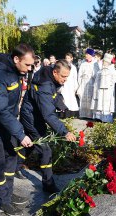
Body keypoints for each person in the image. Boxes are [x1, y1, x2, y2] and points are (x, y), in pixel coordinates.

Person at [0, 43, 34, 216]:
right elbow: (0, 110)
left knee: (11, 159)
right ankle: (3, 202)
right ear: (16, 59)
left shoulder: (15, 72)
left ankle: (8, 193)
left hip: (6, 127)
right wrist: (20, 133)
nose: (30, 68)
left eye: (31, 65)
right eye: (27, 64)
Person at [20, 60, 76, 193]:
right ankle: (48, 184)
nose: (65, 80)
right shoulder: (44, 86)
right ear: (55, 72)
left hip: (36, 115)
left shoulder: (49, 75)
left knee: (30, 145)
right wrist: (65, 132)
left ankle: (12, 166)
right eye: (63, 76)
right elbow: (49, 115)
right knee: (45, 150)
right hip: (31, 117)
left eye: (67, 76)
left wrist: (62, 106)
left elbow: (54, 94)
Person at [90, 53, 116, 123]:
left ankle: (106, 119)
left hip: (108, 92)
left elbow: (113, 80)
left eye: (104, 62)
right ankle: (99, 118)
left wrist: (108, 84)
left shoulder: (112, 70)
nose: (103, 63)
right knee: (99, 104)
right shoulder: (100, 71)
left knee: (106, 105)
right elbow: (96, 81)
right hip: (100, 91)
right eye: (103, 61)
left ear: (108, 62)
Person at [77, 48, 97, 118]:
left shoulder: (95, 64)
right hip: (83, 83)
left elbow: (97, 75)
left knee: (91, 99)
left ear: (91, 55)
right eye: (86, 54)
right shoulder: (83, 63)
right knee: (83, 98)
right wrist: (79, 84)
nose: (86, 56)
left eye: (87, 54)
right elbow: (79, 75)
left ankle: (90, 115)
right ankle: (83, 114)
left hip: (91, 83)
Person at [61, 53, 79, 118]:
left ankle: (71, 114)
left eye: (68, 58)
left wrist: (75, 88)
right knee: (64, 99)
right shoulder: (63, 67)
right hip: (64, 84)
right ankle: (63, 113)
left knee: (70, 99)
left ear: (72, 59)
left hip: (71, 85)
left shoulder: (73, 68)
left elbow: (75, 78)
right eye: (66, 58)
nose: (67, 59)